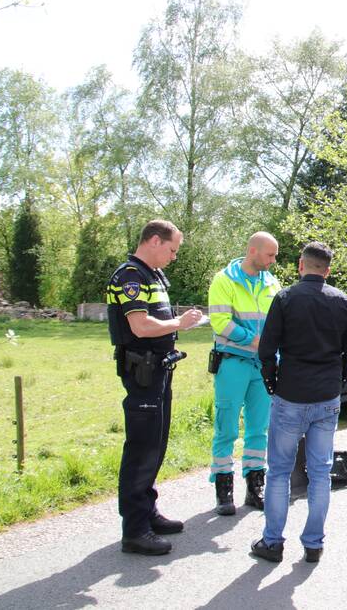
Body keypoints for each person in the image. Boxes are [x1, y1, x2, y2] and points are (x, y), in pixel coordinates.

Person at [253, 242, 347, 564]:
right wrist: (336, 383)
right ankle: (313, 543)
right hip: (326, 397)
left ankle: (272, 542)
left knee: (279, 471)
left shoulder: (284, 298)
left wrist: (273, 383)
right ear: (327, 270)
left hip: (290, 394)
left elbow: (266, 350)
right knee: (321, 472)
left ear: (301, 265)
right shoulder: (343, 303)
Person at [105, 220, 203, 556]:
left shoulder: (154, 275)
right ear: (155, 241)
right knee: (141, 449)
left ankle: (147, 512)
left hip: (159, 370)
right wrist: (179, 323)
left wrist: (176, 325)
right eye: (172, 249)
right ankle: (135, 530)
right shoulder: (130, 275)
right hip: (141, 371)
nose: (174, 257)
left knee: (156, 445)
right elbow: (141, 325)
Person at [207, 232, 281, 516]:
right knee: (226, 427)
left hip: (262, 366)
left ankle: (255, 485)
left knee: (258, 429)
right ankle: (223, 487)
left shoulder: (272, 283)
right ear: (253, 251)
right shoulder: (224, 280)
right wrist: (258, 342)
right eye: (270, 255)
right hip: (233, 362)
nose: (273, 261)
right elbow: (220, 323)